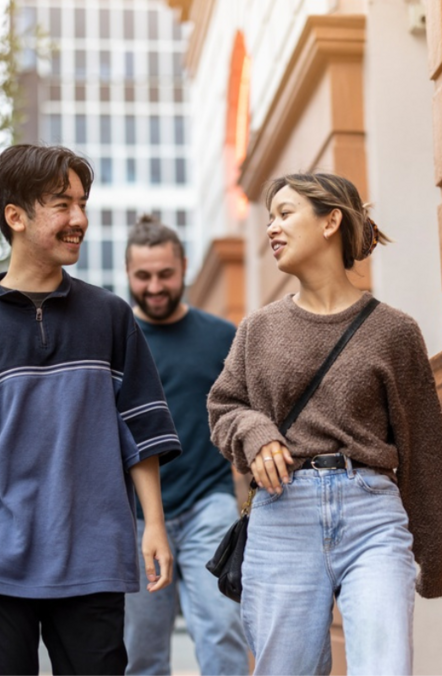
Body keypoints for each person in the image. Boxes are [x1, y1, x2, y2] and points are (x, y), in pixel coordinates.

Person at [0, 144, 181, 676]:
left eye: (82, 203)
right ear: (16, 216)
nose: (79, 219)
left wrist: (153, 524)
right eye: (62, 204)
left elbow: (140, 430)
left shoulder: (111, 318)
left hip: (92, 552)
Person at [207, 172, 442, 675]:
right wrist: (256, 435)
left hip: (373, 516)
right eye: (269, 217)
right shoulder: (259, 329)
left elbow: (424, 447)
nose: (271, 228)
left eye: (284, 213)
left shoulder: (394, 331)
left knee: (385, 668)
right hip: (282, 516)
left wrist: (433, 556)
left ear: (331, 221)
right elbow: (223, 408)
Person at [123, 216, 250, 676]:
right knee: (141, 649)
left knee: (221, 626)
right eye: (143, 276)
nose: (155, 286)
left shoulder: (222, 337)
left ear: (183, 267)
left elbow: (246, 416)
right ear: (127, 274)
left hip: (207, 502)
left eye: (165, 274)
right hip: (133, 513)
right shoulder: (116, 340)